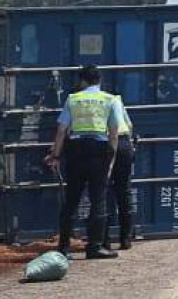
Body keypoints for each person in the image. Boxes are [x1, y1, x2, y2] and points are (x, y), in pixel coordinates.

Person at [46, 64, 122, 260]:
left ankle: (63, 247)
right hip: (99, 151)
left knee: (71, 200)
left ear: (82, 81)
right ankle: (95, 247)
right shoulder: (110, 99)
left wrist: (55, 156)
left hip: (76, 150)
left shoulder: (73, 99)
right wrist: (111, 159)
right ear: (99, 80)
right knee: (98, 200)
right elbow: (114, 132)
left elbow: (62, 130)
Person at [105, 96, 137, 251]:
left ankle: (104, 240)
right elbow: (129, 124)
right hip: (125, 143)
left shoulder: (82, 100)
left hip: (105, 142)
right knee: (124, 192)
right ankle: (126, 239)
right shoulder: (115, 99)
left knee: (102, 194)